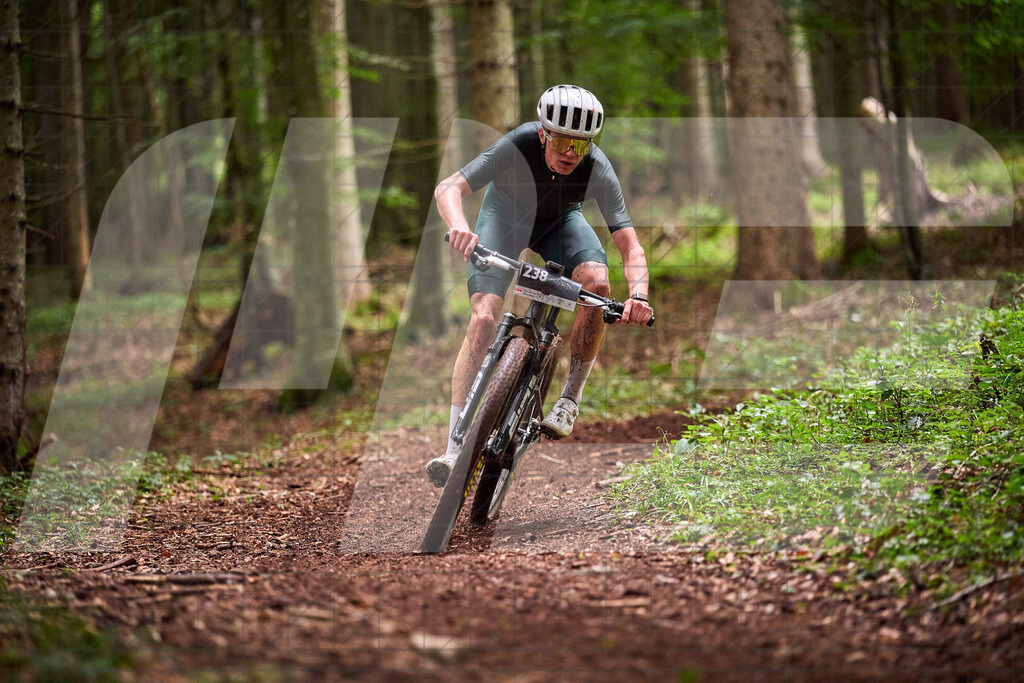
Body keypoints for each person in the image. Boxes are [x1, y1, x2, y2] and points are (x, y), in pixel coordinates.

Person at [426, 84, 654, 488]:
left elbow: (630, 246)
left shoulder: (596, 166)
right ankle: (453, 448)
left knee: (597, 284)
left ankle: (569, 400)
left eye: (581, 145)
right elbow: (449, 187)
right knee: (483, 319)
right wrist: (459, 227)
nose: (571, 153)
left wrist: (638, 295)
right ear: (544, 134)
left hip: (559, 224)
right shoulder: (518, 144)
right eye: (563, 141)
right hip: (504, 217)